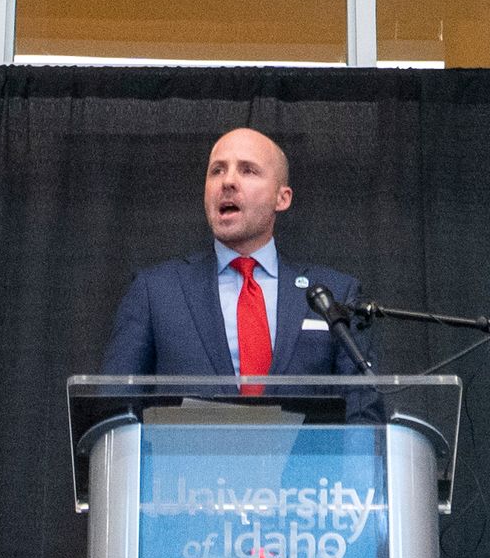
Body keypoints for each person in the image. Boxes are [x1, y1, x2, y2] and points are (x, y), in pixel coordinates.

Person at [102, 129, 363, 381]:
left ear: (281, 198)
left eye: (248, 170)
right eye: (217, 170)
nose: (227, 181)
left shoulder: (335, 294)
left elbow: (363, 413)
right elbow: (115, 411)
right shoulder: (155, 292)